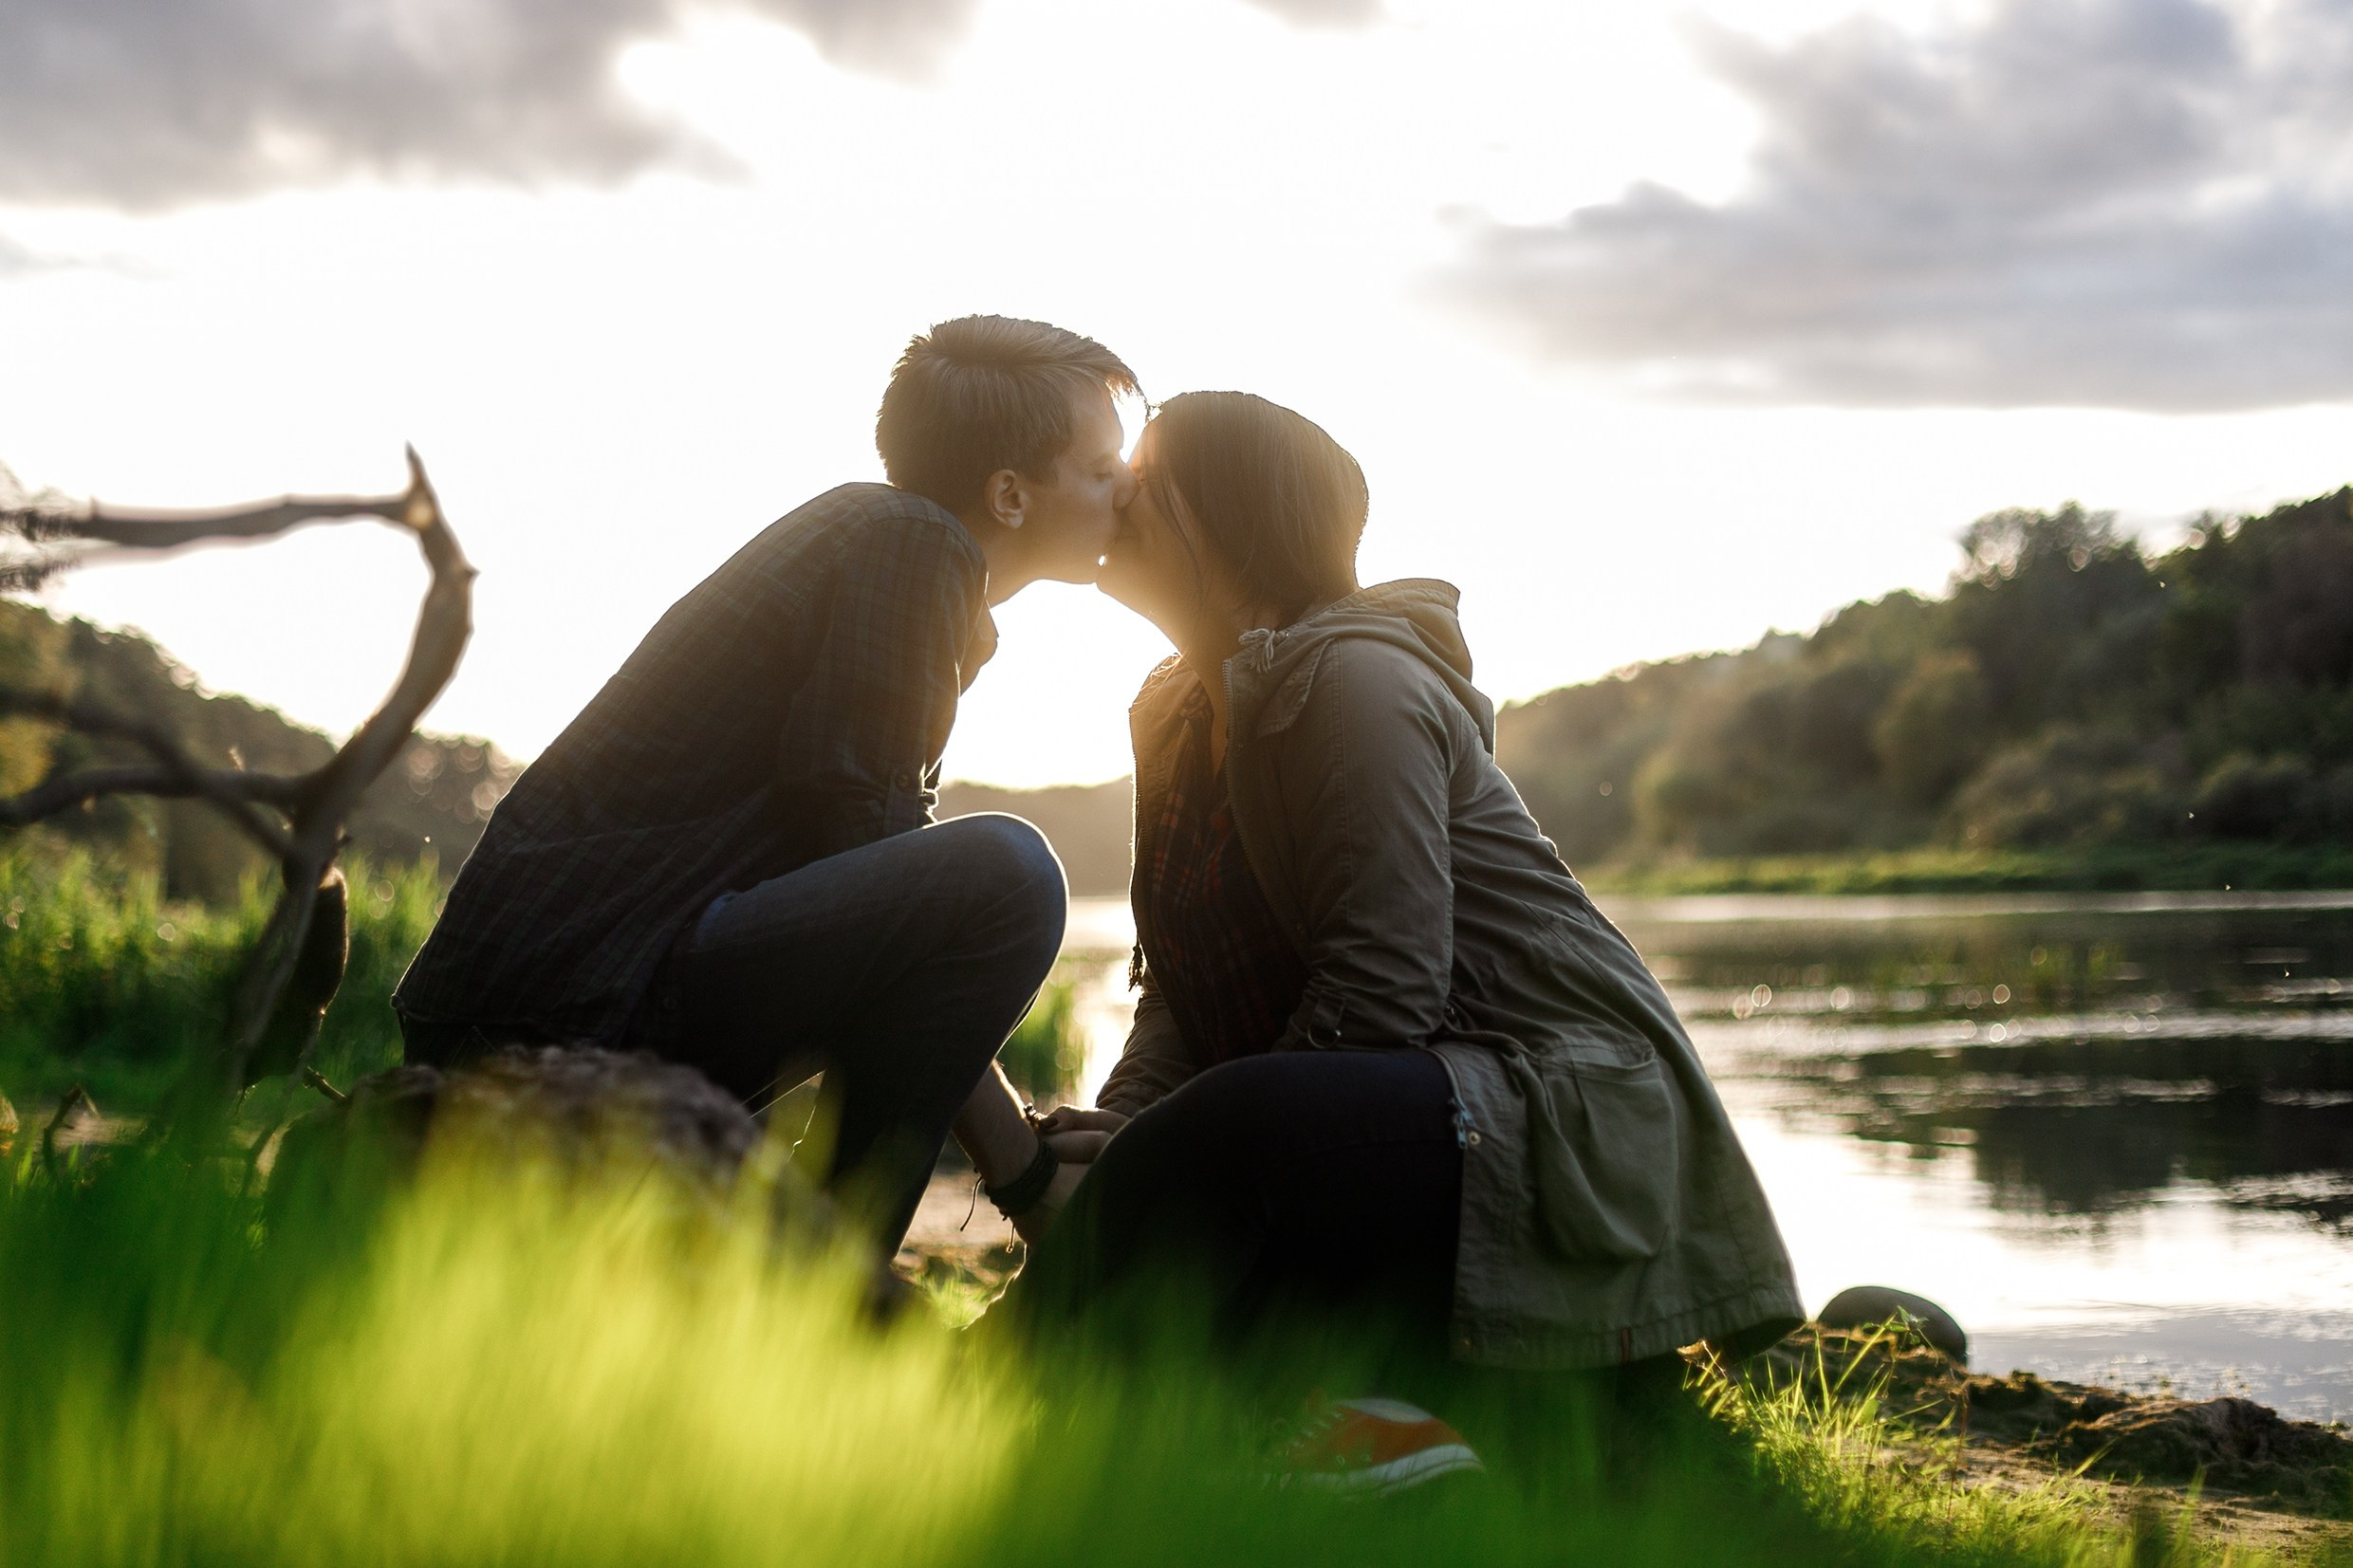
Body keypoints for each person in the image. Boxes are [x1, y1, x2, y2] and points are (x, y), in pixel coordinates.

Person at [1014, 393, 1803, 1459]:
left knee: (1222, 1133)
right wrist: (1128, 1134)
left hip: (1541, 1104)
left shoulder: (1355, 682)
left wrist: (1173, 1146)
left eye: (1150, 477)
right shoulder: (1175, 708)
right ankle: (1070, 1410)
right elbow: (1182, 986)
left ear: (1230, 515)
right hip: (1402, 1103)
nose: (1120, 495)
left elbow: (1382, 986)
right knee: (1164, 1151)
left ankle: (988, 1390)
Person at [394, 316, 1129, 1253]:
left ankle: (804, 1263)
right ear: (1009, 495)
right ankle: (826, 1282)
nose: (1125, 491)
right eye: (1102, 469)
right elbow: (873, 841)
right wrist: (1019, 1169)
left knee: (981, 879)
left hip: (574, 985)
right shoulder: (913, 542)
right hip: (571, 994)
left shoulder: (895, 545)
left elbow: (870, 866)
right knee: (1007, 873)